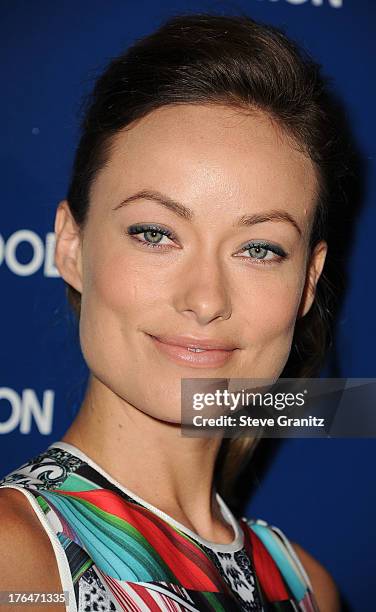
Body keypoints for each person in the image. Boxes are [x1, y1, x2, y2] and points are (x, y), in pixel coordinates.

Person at [0, 12, 349, 612]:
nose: (206, 299)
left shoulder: (306, 587)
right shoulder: (14, 562)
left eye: (259, 248)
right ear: (72, 247)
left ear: (309, 281)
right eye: (156, 233)